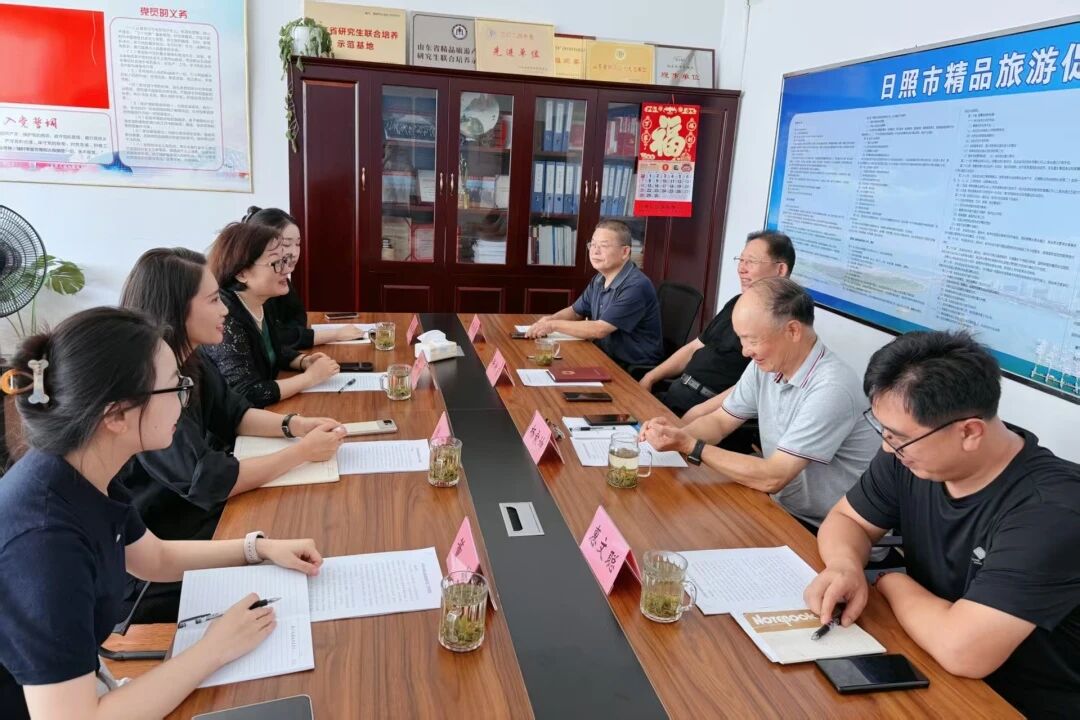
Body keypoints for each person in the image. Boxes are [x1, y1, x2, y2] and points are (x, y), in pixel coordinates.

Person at [0, 307, 325, 720]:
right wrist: (214, 648)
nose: (183, 401)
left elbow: (154, 558)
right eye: (175, 387)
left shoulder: (81, 468)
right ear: (116, 415)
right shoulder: (43, 543)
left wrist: (259, 549)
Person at [804, 331, 1080, 719]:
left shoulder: (1052, 511)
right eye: (883, 430)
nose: (886, 447)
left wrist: (889, 581)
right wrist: (845, 566)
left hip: (1018, 702)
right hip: (929, 663)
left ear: (969, 432)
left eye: (898, 437)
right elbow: (847, 519)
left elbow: (962, 651)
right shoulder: (911, 457)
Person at [116, 248, 347, 620]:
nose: (225, 309)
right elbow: (211, 480)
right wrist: (301, 452)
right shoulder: (150, 392)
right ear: (176, 310)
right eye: (212, 300)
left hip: (204, 522)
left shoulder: (191, 359)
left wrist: (294, 425)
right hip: (170, 550)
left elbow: (234, 413)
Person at [641, 277, 879, 530]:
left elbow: (774, 476)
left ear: (793, 331)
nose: (745, 351)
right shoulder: (766, 366)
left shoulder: (832, 388)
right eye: (741, 339)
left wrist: (691, 446)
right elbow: (719, 421)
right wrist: (674, 436)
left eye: (752, 340)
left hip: (825, 528)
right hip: (776, 503)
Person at [640, 230, 794, 419]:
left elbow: (749, 387)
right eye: (741, 260)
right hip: (676, 392)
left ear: (780, 270)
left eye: (751, 262)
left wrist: (695, 414)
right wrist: (650, 377)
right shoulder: (738, 302)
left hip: (707, 412)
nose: (742, 269)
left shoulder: (783, 321)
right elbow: (694, 347)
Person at [202, 222, 340, 408]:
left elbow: (271, 350)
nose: (287, 270)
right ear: (242, 273)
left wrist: (303, 361)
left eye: (285, 260)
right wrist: (310, 378)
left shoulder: (259, 301)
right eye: (276, 263)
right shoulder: (225, 317)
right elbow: (247, 393)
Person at [525, 219, 663, 368]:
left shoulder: (636, 285)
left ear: (625, 252)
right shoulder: (599, 278)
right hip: (602, 355)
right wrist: (548, 320)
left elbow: (600, 329)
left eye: (604, 246)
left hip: (630, 367)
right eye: (593, 244)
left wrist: (552, 325)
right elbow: (575, 312)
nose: (595, 251)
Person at [242, 206, 367, 347]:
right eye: (286, 244)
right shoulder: (240, 298)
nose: (295, 253)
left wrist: (294, 343)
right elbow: (272, 338)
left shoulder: (279, 278)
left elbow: (298, 317)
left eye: (298, 244)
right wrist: (334, 334)